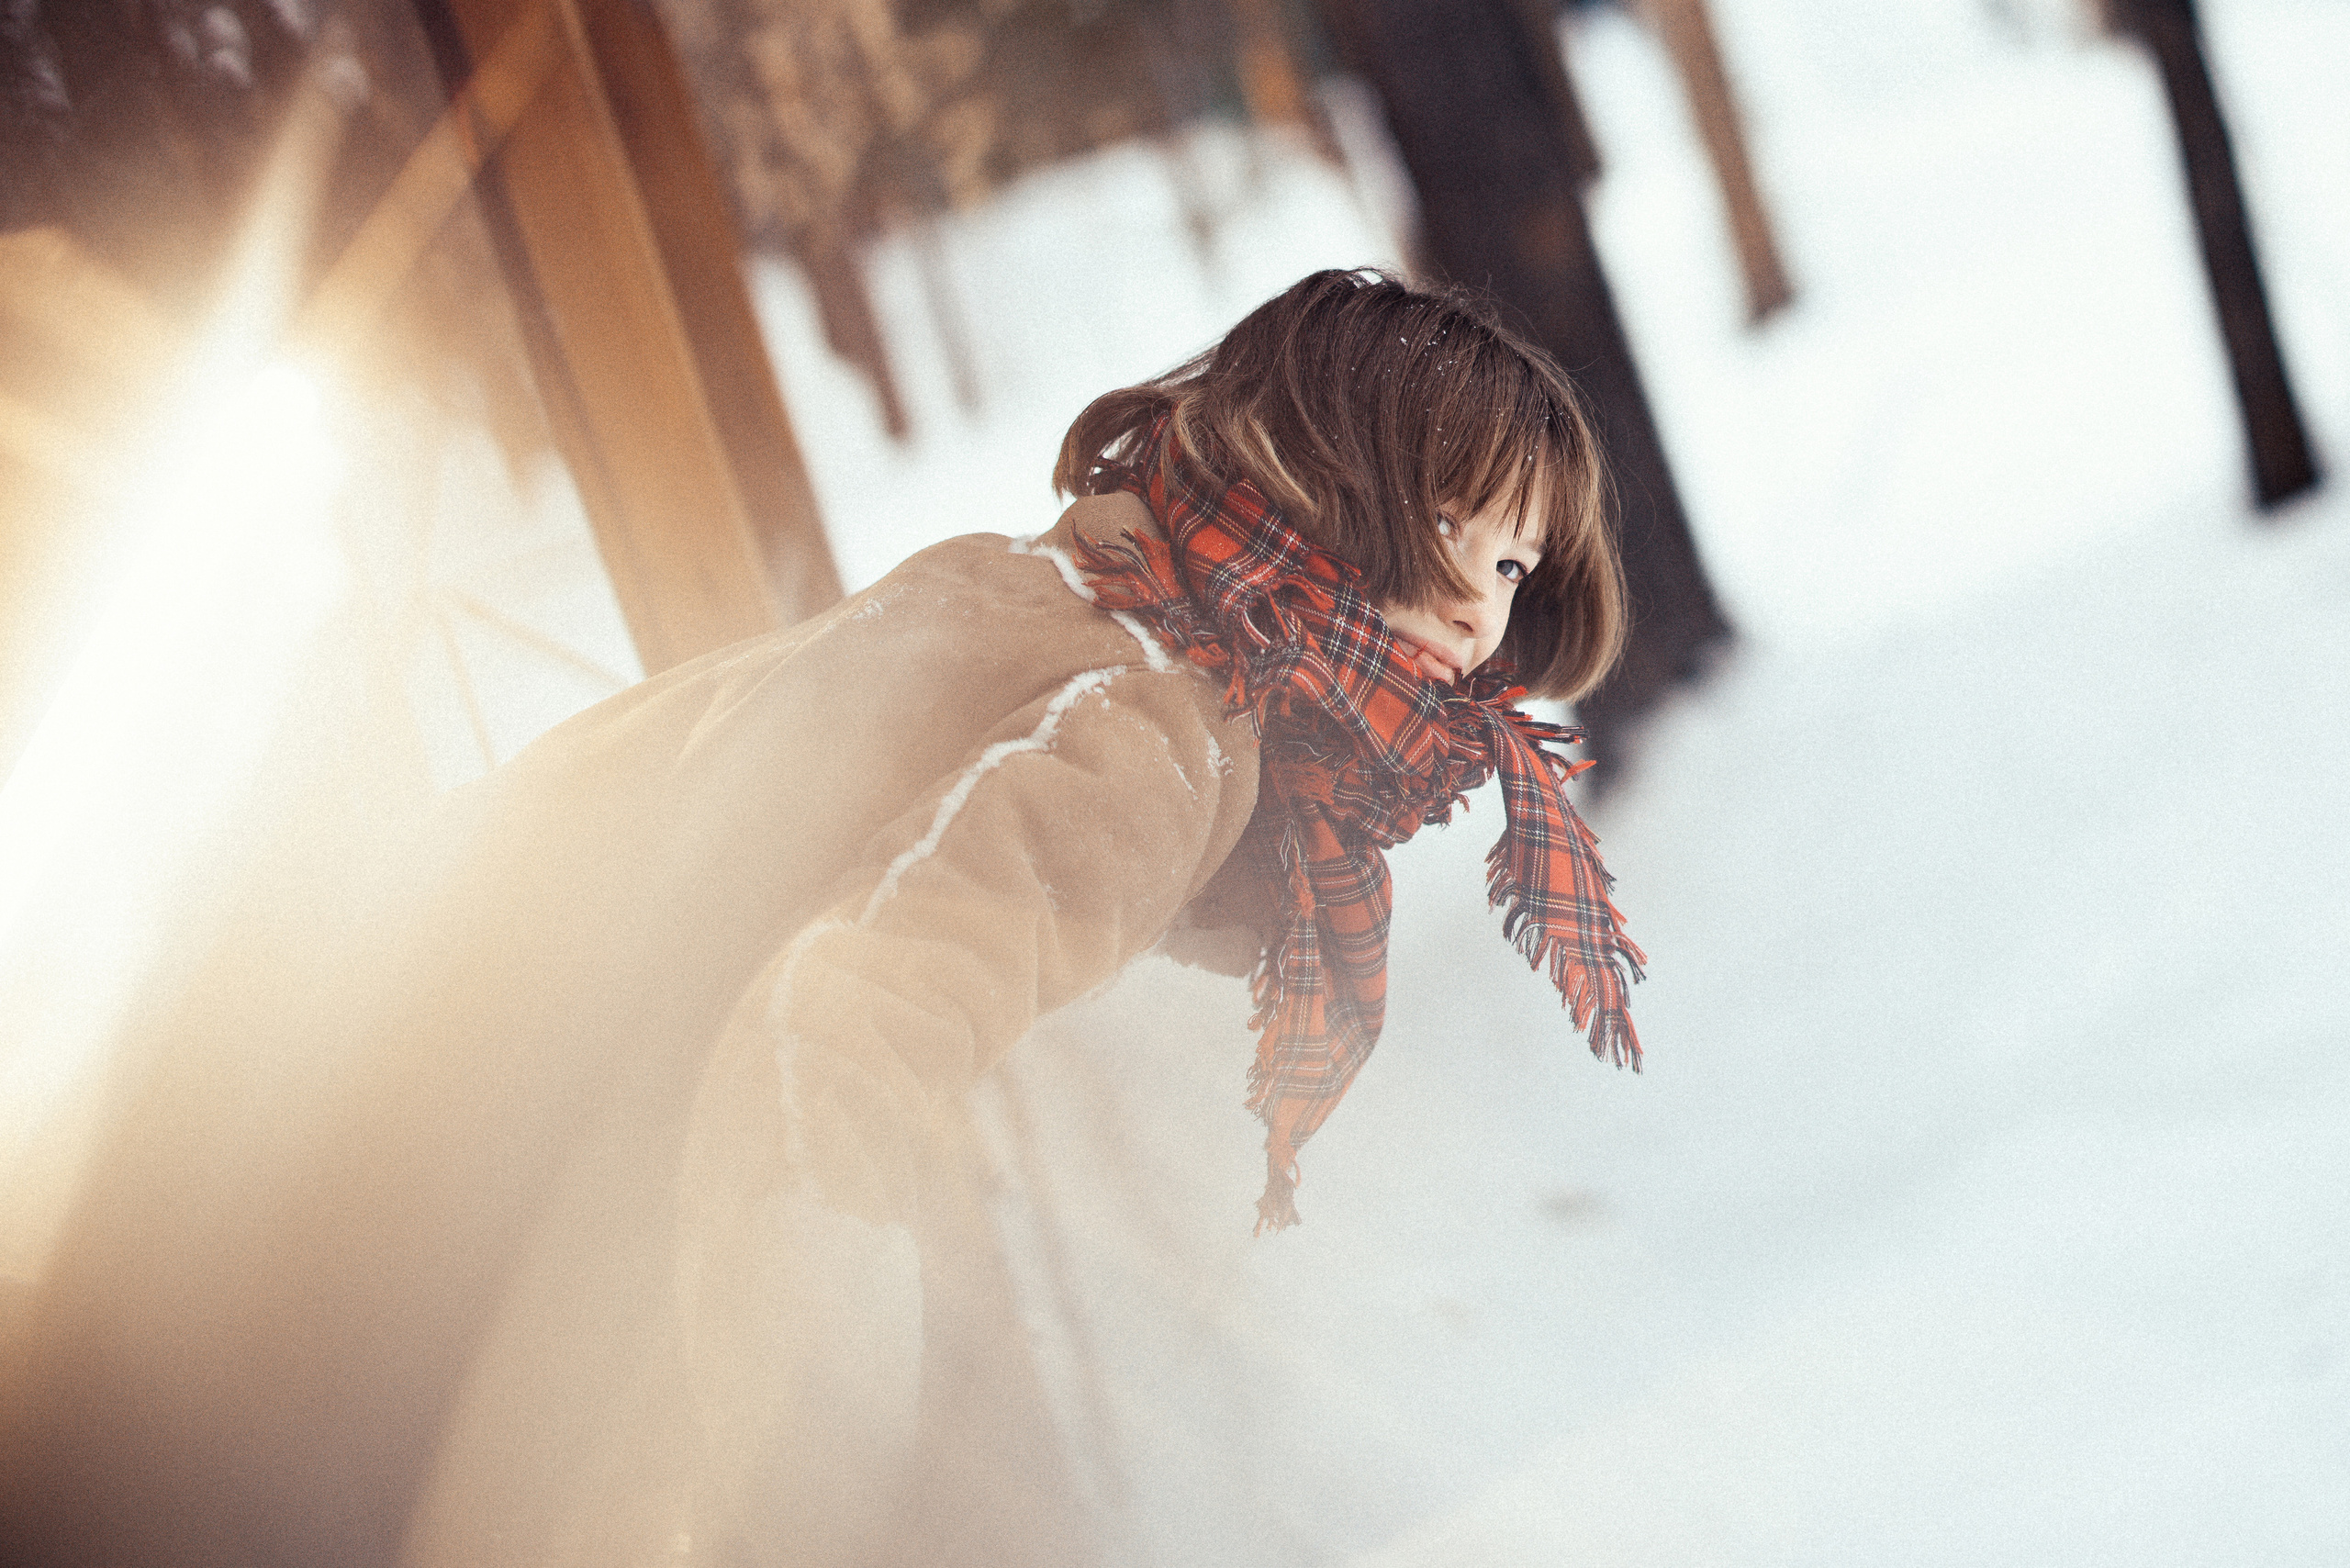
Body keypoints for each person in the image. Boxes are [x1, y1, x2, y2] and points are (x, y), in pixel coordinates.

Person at [0, 269, 1643, 1568]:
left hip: (279, 1116)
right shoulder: (1162, 719)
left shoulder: (1042, 587)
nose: (1475, 618)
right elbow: (835, 1050)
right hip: (398, 1278)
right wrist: (803, 1488)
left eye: (1512, 568)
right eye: (1454, 530)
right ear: (1321, 475)